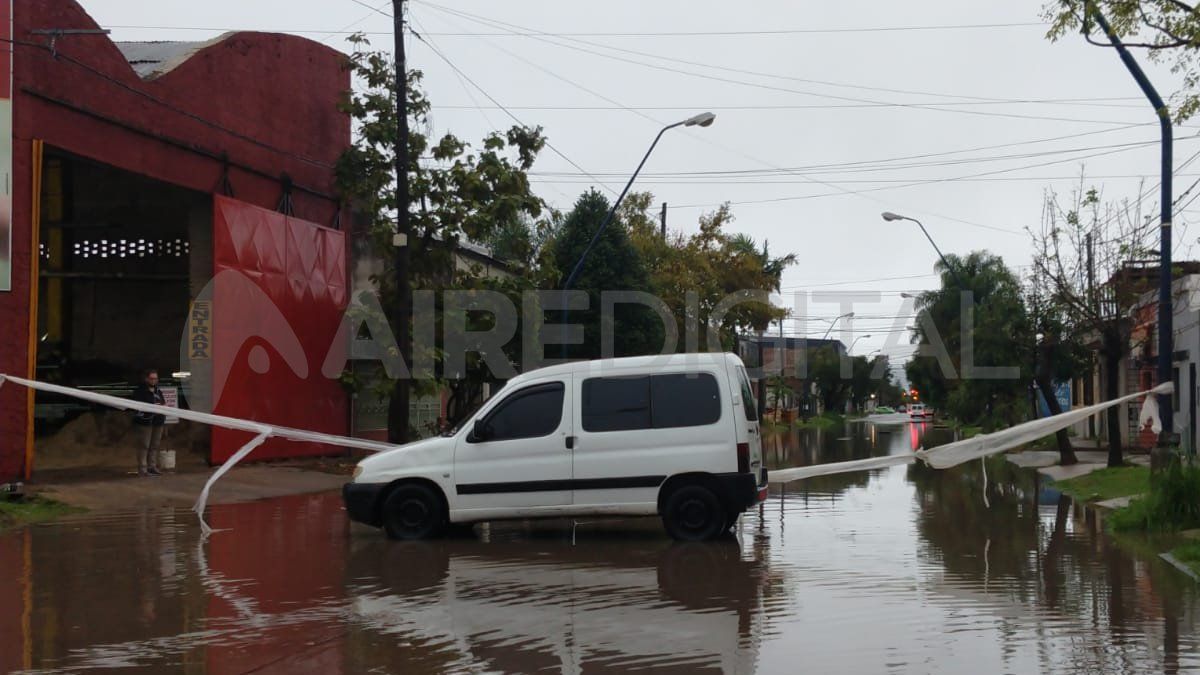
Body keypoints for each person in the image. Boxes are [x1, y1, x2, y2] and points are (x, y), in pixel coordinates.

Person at [131, 369, 166, 476]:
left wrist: (162, 407)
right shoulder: (139, 391)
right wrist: (152, 407)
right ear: (146, 379)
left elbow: (163, 402)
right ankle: (143, 469)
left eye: (156, 378)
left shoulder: (158, 391)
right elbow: (137, 406)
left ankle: (152, 466)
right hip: (144, 423)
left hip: (158, 421)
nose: (154, 381)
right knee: (144, 445)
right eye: (152, 378)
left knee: (154, 445)